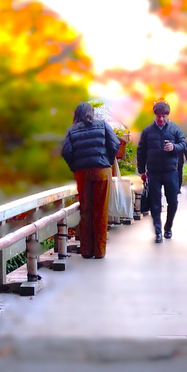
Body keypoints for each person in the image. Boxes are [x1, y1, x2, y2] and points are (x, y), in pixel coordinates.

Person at [61, 102, 120, 259]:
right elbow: (115, 144)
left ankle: (86, 251)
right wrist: (106, 160)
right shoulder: (102, 125)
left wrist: (76, 165)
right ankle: (100, 251)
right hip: (102, 171)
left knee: (86, 210)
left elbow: (66, 151)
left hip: (82, 173)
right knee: (101, 210)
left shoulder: (72, 130)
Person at [137, 101, 187, 243]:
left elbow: (183, 145)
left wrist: (174, 147)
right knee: (155, 203)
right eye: (159, 116)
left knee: (173, 202)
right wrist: (142, 170)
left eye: (164, 116)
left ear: (167, 116)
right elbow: (141, 151)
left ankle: (168, 227)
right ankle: (158, 232)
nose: (161, 119)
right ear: (155, 116)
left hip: (171, 171)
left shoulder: (175, 129)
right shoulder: (147, 131)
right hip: (153, 172)